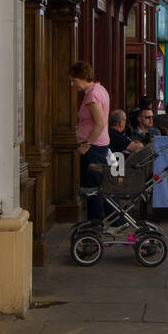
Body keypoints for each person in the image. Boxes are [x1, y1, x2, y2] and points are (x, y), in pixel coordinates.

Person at [71, 60, 111, 223]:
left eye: (74, 80)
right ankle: (113, 219)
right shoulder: (99, 89)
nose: (73, 84)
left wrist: (86, 145)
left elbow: (100, 123)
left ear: (82, 77)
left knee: (93, 189)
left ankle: (96, 223)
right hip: (97, 145)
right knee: (97, 186)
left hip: (93, 147)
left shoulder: (92, 95)